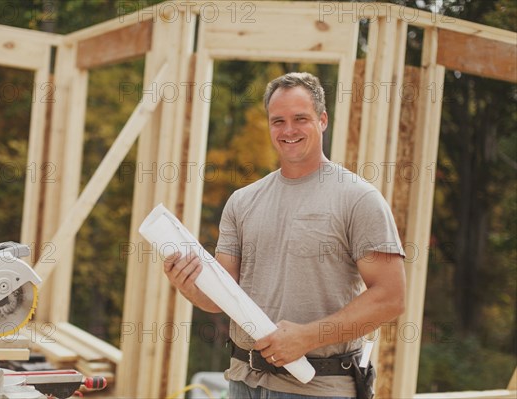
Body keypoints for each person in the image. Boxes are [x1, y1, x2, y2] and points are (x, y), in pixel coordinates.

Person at [163, 72, 406, 399]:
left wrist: (307, 337)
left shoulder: (358, 198)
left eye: (300, 119)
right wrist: (187, 283)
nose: (288, 130)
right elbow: (219, 297)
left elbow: (391, 297)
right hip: (242, 384)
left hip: (317, 389)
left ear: (322, 120)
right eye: (278, 121)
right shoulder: (243, 201)